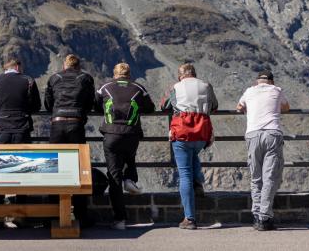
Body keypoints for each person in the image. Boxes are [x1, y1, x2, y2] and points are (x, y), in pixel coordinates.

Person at [0, 57, 42, 228]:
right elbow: (36, 106)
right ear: (18, 67)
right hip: (22, 129)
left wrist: (1, 112)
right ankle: (20, 215)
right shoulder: (28, 80)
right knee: (22, 170)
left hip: (3, 129)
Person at [96, 62, 155, 230]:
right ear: (129, 74)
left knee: (114, 177)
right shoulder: (139, 88)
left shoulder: (104, 87)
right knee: (129, 155)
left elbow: (96, 104)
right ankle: (130, 178)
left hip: (111, 134)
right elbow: (150, 108)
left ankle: (120, 220)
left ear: (115, 74)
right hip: (131, 134)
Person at [161, 63, 218, 230]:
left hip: (182, 132)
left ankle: (190, 218)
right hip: (201, 133)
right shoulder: (206, 86)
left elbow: (164, 106)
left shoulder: (175, 87)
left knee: (184, 174)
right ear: (194, 73)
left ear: (180, 76)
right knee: (194, 154)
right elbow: (214, 106)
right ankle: (198, 182)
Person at [44, 54, 95, 227]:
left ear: (64, 65)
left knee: (54, 168)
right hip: (76, 124)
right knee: (78, 169)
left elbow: (48, 103)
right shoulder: (85, 78)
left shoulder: (54, 78)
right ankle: (81, 215)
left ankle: (53, 213)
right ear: (78, 66)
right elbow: (90, 103)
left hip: (57, 124)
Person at [236, 69, 289, 231]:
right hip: (272, 134)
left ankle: (256, 214)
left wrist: (249, 109)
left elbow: (239, 107)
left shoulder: (249, 91)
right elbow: (286, 108)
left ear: (257, 81)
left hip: (252, 135)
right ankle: (264, 217)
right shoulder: (277, 90)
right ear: (271, 81)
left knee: (256, 177)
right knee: (269, 177)